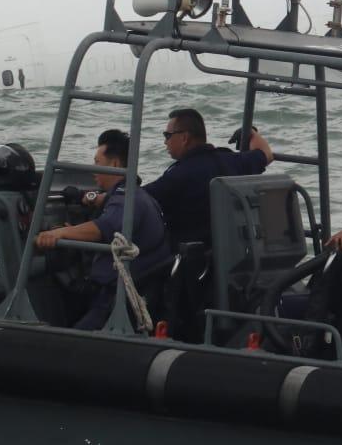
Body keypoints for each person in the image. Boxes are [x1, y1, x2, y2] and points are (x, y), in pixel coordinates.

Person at [36, 129, 170, 330]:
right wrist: (75, 230)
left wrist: (58, 233)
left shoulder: (126, 201)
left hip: (117, 298)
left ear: (114, 164)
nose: (93, 169)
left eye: (97, 162)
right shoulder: (134, 195)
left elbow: (104, 228)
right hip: (128, 289)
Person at [143, 107, 274, 248]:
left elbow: (138, 200)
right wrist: (251, 132)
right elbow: (267, 153)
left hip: (190, 257)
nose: (165, 142)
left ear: (184, 138)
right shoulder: (232, 161)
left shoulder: (177, 176)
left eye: (167, 135)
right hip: (233, 251)